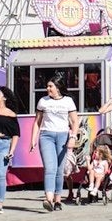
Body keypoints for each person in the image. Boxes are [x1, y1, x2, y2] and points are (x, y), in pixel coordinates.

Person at [30, 74, 80, 212]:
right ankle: (49, 199)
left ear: (58, 87)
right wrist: (33, 139)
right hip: (46, 136)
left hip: (63, 136)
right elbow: (37, 122)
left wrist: (73, 137)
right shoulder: (43, 101)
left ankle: (58, 200)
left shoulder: (68, 101)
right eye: (47, 86)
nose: (48, 88)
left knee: (59, 170)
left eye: (50, 86)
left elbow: (75, 122)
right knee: (50, 168)